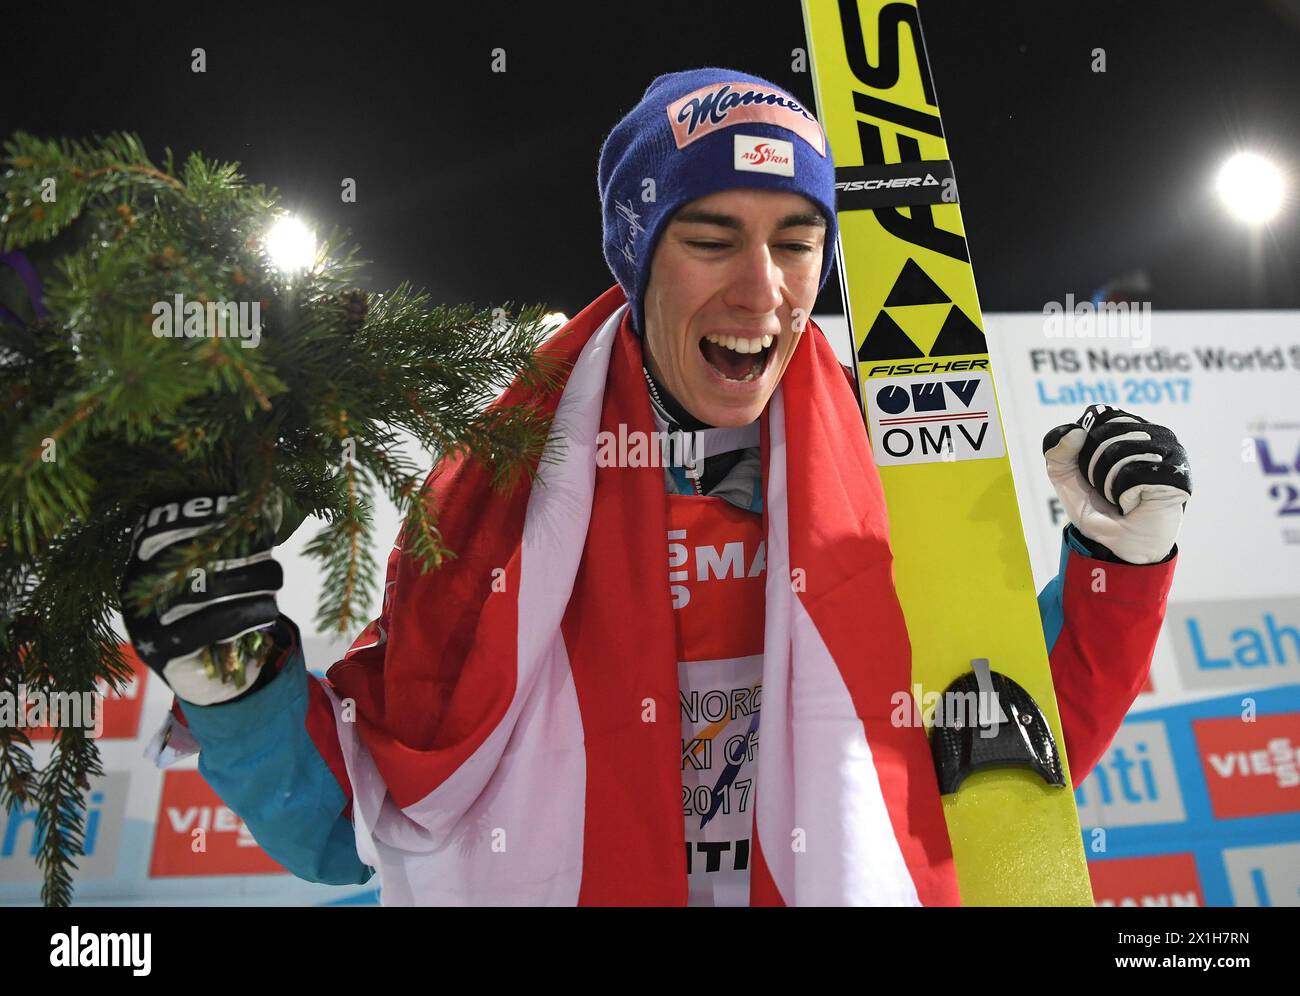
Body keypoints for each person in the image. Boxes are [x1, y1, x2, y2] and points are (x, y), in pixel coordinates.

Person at [122, 68, 1190, 906]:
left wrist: (1121, 563)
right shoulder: (499, 490)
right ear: (636, 254)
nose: (762, 291)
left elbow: (1001, 764)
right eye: (711, 239)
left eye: (796, 240)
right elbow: (356, 822)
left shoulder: (887, 462)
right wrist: (238, 685)